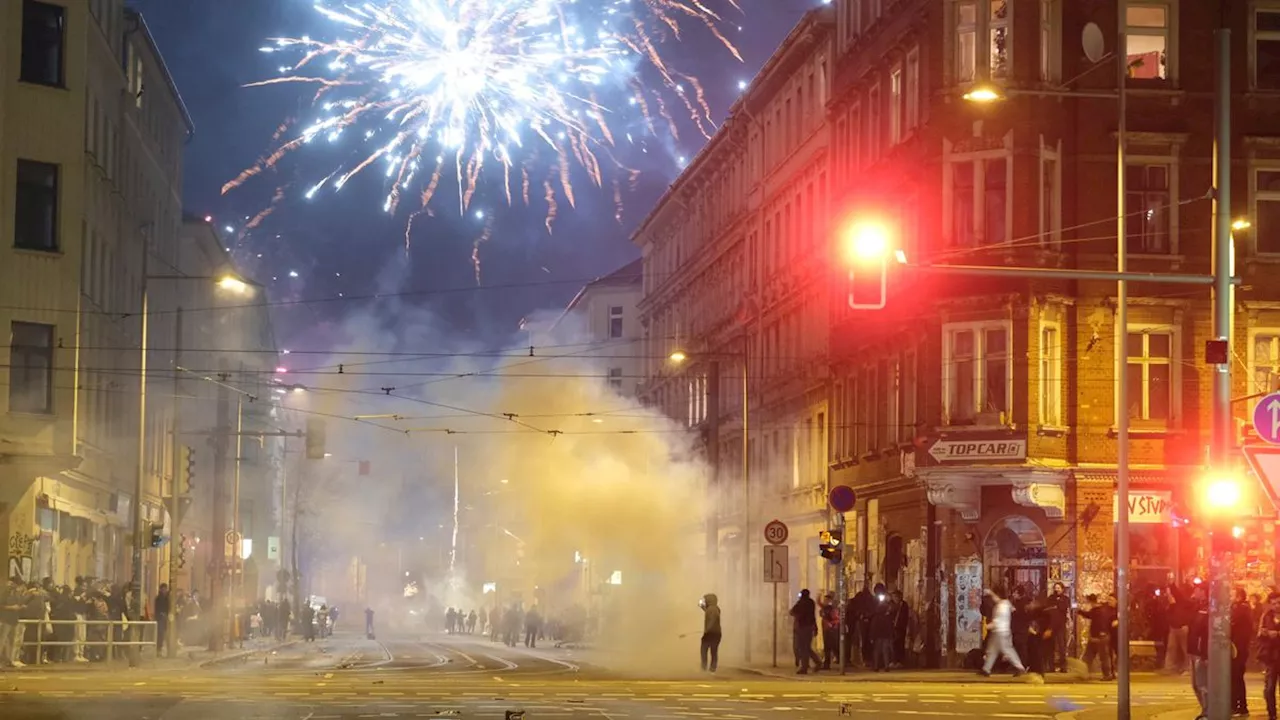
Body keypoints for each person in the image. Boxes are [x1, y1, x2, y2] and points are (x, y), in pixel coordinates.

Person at [980, 587, 1026, 677]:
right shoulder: (1005, 604)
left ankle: (1020, 667)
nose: (993, 598)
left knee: (1006, 650)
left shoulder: (1001, 606)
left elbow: (998, 620)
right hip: (1001, 631)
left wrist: (988, 626)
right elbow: (1010, 608)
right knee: (992, 650)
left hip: (1000, 631)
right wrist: (991, 592)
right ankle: (986, 669)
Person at [1080, 593, 1117, 680]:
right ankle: (1106, 674)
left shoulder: (1098, 610)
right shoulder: (1101, 609)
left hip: (1100, 636)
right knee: (1095, 656)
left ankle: (1106, 675)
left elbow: (1091, 617)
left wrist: (1079, 611)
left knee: (1098, 657)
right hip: (1100, 636)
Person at [1256, 592, 1280, 720]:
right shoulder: (1266, 616)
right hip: (1270, 657)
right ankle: (1272, 714)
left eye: (1279, 603)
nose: (1276, 606)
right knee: (1270, 687)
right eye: (1274, 603)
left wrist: (1277, 633)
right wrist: (1266, 633)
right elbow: (1259, 632)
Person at [1188, 584, 1210, 719]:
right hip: (1193, 651)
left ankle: (1208, 711)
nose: (1194, 592)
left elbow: (1206, 633)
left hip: (1201, 653)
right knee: (1196, 685)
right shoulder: (1196, 607)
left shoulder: (1208, 609)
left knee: (1203, 684)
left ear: (1203, 591)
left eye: (1197, 590)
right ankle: (1205, 710)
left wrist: (1205, 654)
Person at [1232, 587, 1253, 716]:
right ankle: (1238, 705)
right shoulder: (1241, 608)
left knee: (1236, 677)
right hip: (1238, 647)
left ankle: (1239, 706)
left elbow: (1231, 621)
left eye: (1232, 594)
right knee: (1236, 677)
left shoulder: (1241, 609)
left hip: (1238, 648)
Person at [789, 589, 820, 674]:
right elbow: (813, 616)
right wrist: (815, 627)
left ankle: (804, 667)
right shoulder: (811, 602)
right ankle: (817, 662)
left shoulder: (801, 603)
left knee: (802, 648)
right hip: (809, 627)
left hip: (802, 627)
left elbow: (792, 611)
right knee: (806, 647)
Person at [1046, 582, 1071, 672]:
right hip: (1051, 625)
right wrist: (1055, 606)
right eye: (1055, 588)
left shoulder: (1065, 599)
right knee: (1050, 647)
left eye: (1059, 588)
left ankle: (1063, 667)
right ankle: (1051, 666)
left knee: (1061, 647)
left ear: (1062, 589)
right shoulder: (1051, 598)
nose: (1057, 589)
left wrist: (1056, 605)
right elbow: (1048, 609)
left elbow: (1063, 607)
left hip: (1061, 626)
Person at [699, 593, 721, 673]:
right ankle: (711, 669)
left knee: (704, 650)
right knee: (713, 651)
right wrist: (702, 607)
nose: (705, 601)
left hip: (711, 633)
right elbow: (708, 612)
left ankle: (705, 668)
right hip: (716, 633)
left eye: (706, 600)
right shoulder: (714, 608)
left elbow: (713, 619)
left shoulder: (712, 609)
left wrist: (708, 629)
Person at [819, 593, 840, 671]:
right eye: (825, 600)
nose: (825, 601)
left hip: (831, 630)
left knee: (832, 647)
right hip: (826, 630)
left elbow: (837, 619)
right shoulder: (825, 608)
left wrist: (831, 623)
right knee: (828, 647)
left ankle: (839, 661)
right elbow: (820, 606)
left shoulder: (832, 609)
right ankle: (827, 664)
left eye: (826, 600)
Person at [155, 584, 171, 653]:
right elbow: (157, 609)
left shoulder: (168, 598)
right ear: (160, 589)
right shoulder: (158, 598)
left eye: (165, 589)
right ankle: (159, 649)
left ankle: (168, 649)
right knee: (160, 634)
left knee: (167, 634)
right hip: (160, 618)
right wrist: (161, 614)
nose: (164, 590)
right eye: (163, 589)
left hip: (167, 618)